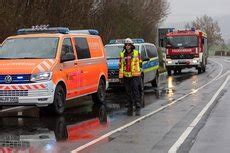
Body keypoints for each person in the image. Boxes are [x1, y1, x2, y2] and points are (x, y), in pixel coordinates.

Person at [119, 38, 143, 116]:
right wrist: (121, 76)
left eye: (129, 45)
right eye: (126, 45)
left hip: (135, 75)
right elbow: (120, 66)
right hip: (126, 75)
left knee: (135, 90)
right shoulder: (122, 54)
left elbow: (140, 62)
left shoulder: (136, 53)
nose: (127, 46)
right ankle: (130, 104)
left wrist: (138, 71)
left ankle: (137, 105)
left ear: (132, 45)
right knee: (128, 91)